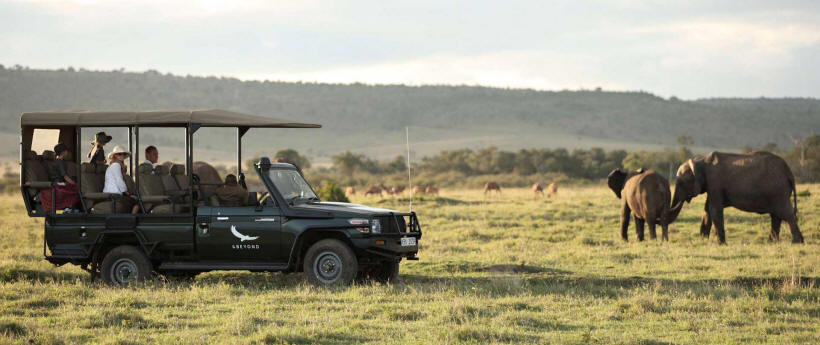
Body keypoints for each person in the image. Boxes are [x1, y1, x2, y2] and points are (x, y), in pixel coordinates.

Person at [40, 143, 80, 213]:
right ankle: (68, 207)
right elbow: (65, 176)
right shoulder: (59, 162)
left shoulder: (61, 161)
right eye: (66, 151)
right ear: (63, 152)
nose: (67, 152)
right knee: (76, 188)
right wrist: (74, 183)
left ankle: (70, 207)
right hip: (58, 183)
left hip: (60, 182)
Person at [103, 145, 140, 214]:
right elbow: (119, 181)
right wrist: (127, 194)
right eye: (119, 154)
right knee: (137, 202)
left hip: (115, 195)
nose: (122, 155)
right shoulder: (116, 165)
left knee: (135, 200)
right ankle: (131, 219)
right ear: (115, 156)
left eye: (123, 154)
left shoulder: (116, 166)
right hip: (113, 195)